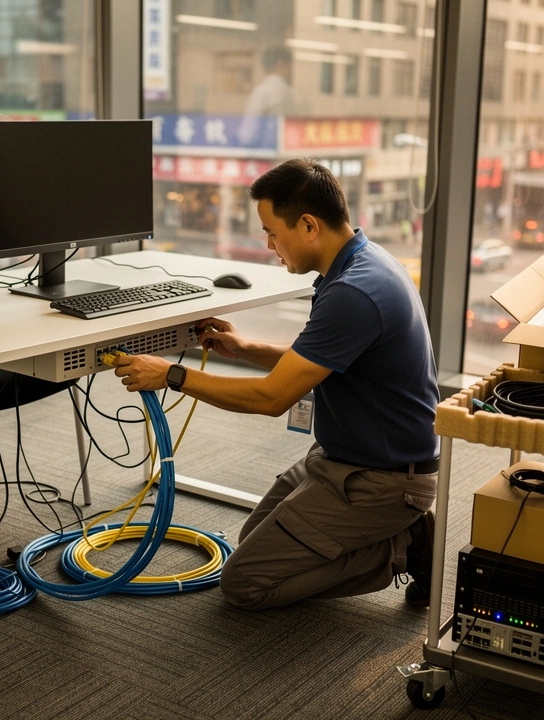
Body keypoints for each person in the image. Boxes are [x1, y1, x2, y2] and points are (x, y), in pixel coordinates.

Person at [113, 159, 440, 611]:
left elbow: (272, 397)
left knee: (246, 582)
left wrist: (172, 375)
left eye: (272, 232)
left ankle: (405, 545)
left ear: (308, 225)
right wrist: (245, 347)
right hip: (344, 457)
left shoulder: (354, 292)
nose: (268, 245)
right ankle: (391, 532)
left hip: (383, 479)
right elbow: (316, 360)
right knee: (254, 539)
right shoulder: (358, 263)